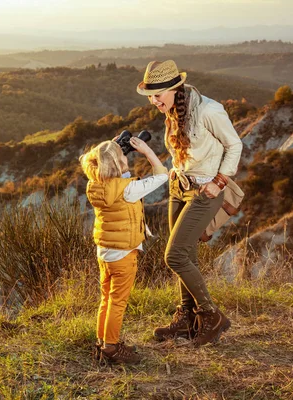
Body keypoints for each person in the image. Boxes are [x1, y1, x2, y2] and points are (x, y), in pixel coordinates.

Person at [136, 60, 242, 346]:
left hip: (205, 191)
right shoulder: (172, 110)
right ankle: (187, 318)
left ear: (174, 89)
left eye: (157, 94)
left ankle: (211, 315)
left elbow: (235, 145)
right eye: (150, 95)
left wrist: (218, 182)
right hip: (177, 187)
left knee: (174, 256)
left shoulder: (209, 110)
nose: (153, 100)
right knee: (187, 255)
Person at [80, 137, 168, 363]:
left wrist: (112, 153)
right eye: (122, 157)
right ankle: (111, 347)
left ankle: (102, 342)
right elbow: (162, 175)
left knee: (106, 299)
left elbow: (116, 180)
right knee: (118, 301)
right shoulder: (128, 189)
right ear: (118, 164)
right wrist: (147, 150)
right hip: (123, 253)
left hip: (104, 251)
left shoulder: (95, 185)